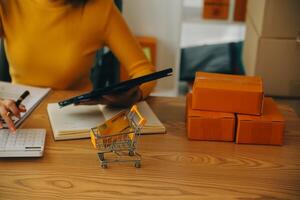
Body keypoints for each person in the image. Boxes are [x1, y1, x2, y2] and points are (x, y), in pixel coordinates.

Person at [0, 0, 156, 132]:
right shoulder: (8, 4)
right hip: (19, 117)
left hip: (77, 120)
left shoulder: (101, 8)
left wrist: (136, 93)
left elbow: (144, 70)